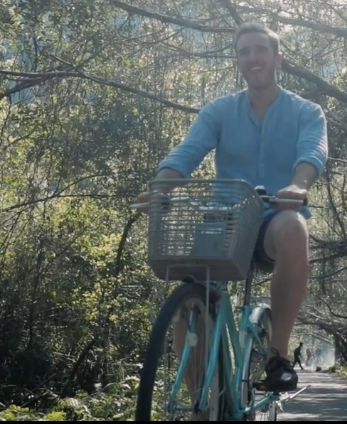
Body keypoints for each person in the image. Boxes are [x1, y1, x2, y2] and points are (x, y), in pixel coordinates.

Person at [136, 22, 327, 392]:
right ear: (238, 61)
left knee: (294, 228)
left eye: (261, 50)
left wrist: (298, 185)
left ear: (277, 58)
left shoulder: (306, 111)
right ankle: (198, 404)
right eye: (244, 52)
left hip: (275, 213)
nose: (253, 58)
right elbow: (187, 152)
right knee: (191, 296)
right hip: (224, 219)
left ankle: (277, 356)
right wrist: (160, 188)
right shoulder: (219, 111)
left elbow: (312, 152)